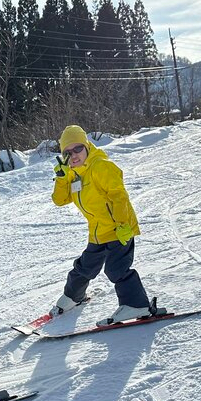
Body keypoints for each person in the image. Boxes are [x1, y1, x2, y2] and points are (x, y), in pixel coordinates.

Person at [50, 124, 155, 326]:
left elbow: (119, 196)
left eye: (78, 148)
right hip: (98, 232)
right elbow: (60, 200)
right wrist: (61, 178)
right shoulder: (73, 173)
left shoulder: (101, 166)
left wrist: (123, 224)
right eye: (67, 152)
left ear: (87, 146)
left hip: (118, 228)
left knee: (117, 269)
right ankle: (74, 296)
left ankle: (136, 304)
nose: (73, 155)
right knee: (84, 267)